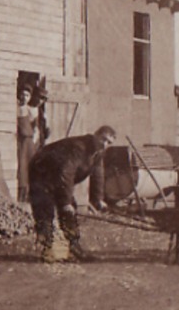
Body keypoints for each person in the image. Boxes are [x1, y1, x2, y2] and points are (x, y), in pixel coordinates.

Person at [28, 124, 117, 263]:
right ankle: (46, 250)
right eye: (103, 139)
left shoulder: (98, 152)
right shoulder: (78, 147)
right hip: (41, 174)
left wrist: (98, 199)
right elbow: (66, 172)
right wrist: (65, 202)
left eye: (109, 143)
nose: (104, 144)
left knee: (70, 213)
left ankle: (74, 249)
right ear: (95, 135)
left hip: (58, 178)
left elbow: (98, 174)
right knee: (45, 212)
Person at [16, 84, 41, 203]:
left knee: (29, 166)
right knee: (21, 166)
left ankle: (29, 196)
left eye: (27, 95)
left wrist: (35, 138)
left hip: (29, 142)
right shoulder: (16, 108)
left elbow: (36, 127)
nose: (24, 97)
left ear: (30, 97)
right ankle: (20, 195)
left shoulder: (32, 111)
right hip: (21, 141)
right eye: (22, 94)